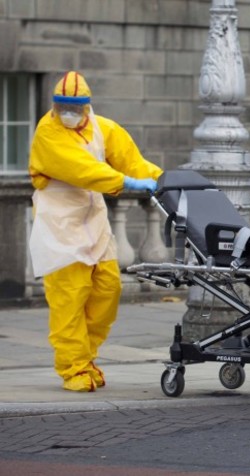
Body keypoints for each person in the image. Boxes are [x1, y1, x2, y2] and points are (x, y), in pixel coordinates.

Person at [29, 71, 163, 392]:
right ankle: (73, 367)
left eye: (75, 107)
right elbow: (83, 169)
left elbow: (132, 161)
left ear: (87, 106)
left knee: (107, 290)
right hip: (60, 227)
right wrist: (125, 183)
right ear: (55, 105)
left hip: (94, 223)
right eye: (63, 106)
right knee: (69, 301)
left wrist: (163, 181)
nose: (68, 113)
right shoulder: (48, 132)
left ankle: (85, 357)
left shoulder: (103, 128)